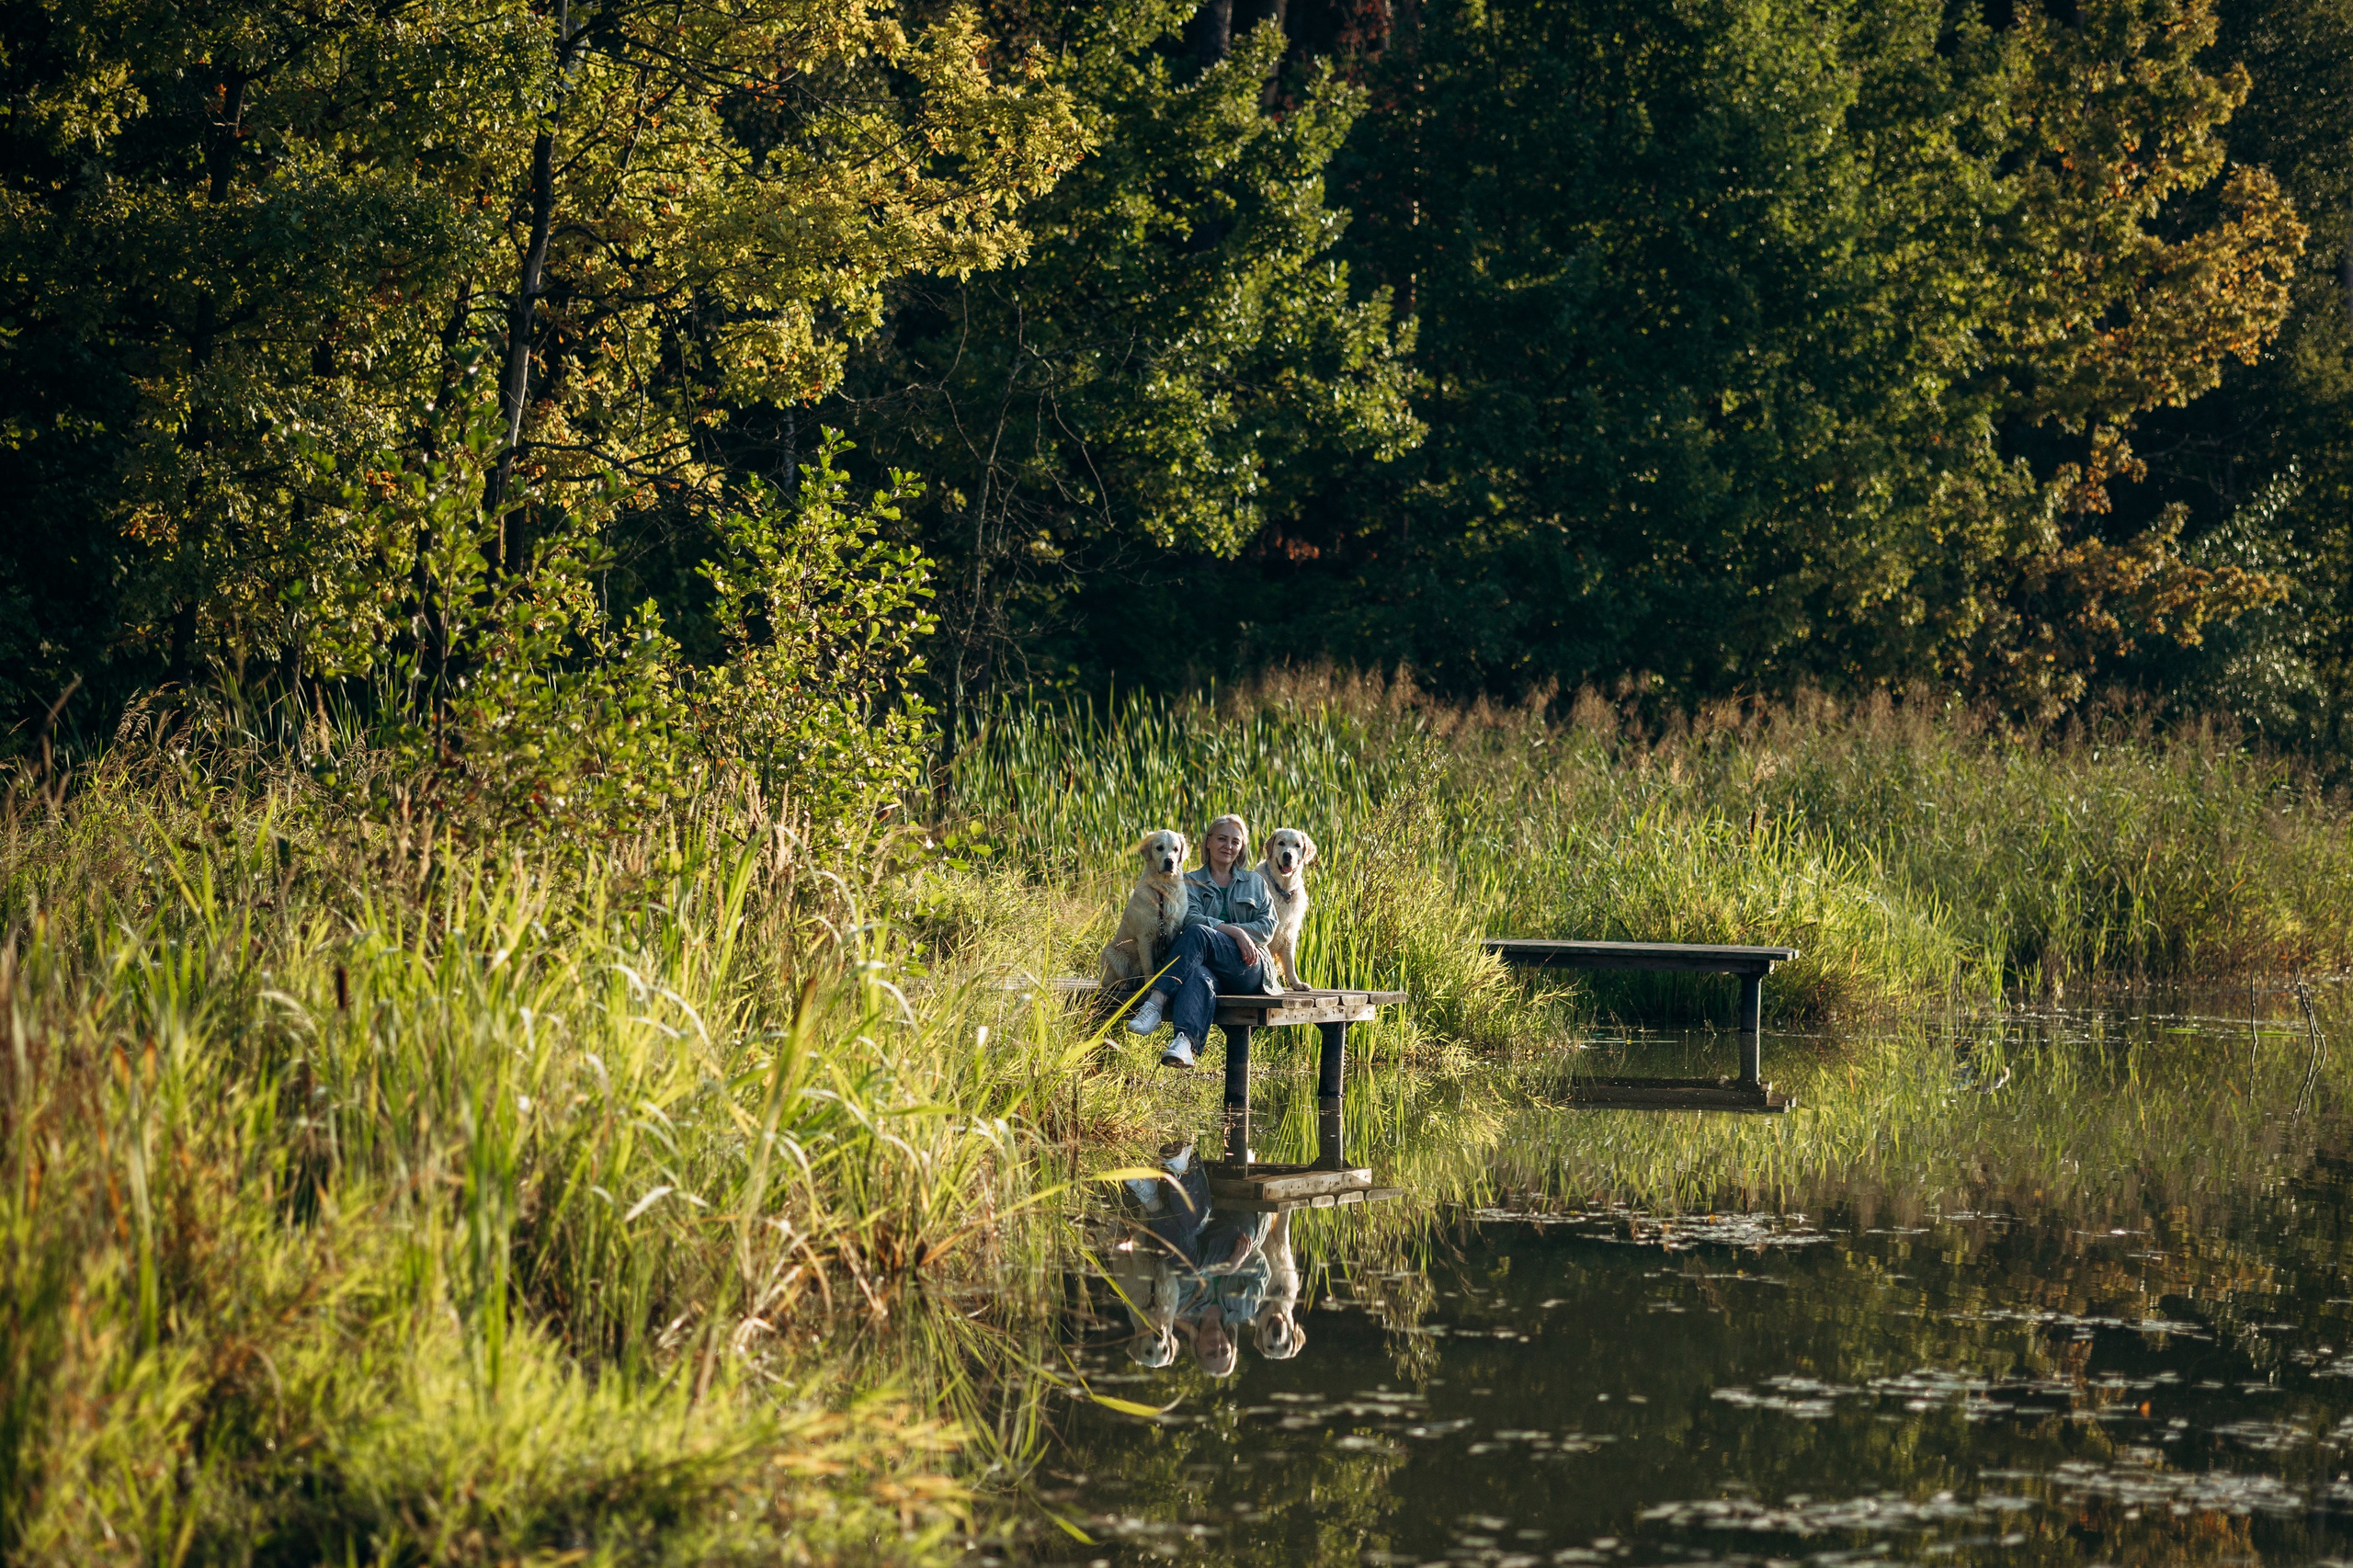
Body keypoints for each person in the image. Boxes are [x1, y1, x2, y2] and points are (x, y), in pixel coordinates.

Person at [1125, 813, 1279, 1068]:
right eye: (1221, 838)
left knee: (1199, 934)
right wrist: (1234, 932)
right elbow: (1190, 918)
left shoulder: (1254, 882)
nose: (1228, 846)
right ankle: (1184, 1044)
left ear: (1241, 848)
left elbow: (1268, 927)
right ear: (1208, 842)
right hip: (1207, 968)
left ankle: (1156, 1001)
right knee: (1198, 975)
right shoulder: (1190, 882)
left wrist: (1235, 934)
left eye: (1235, 841)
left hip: (1248, 967)